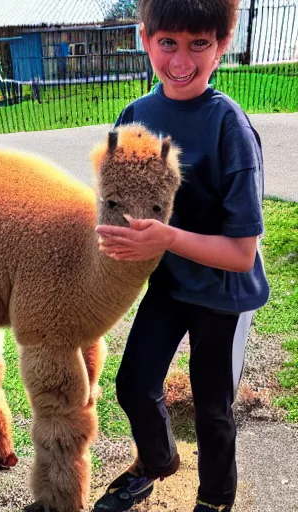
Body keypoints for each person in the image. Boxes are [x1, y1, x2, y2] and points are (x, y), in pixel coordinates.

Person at [93, 1, 270, 511]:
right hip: (169, 283)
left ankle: (215, 497)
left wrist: (165, 238)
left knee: (213, 409)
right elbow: (116, 201)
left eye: (199, 44)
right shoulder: (135, 117)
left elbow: (241, 253)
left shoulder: (229, 127)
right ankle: (157, 462)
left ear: (222, 45)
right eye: (168, 42)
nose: (180, 60)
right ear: (145, 38)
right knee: (133, 385)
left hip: (222, 292)